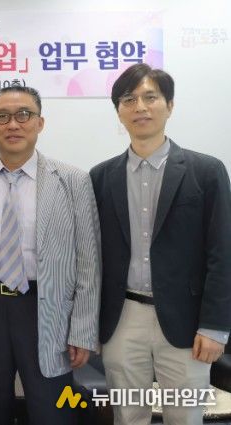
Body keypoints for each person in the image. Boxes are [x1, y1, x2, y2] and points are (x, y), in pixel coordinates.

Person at [0, 85, 101, 424]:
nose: (13, 124)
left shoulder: (72, 180)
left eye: (23, 115)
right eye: (2, 116)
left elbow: (88, 262)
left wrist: (83, 330)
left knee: (54, 413)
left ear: (40, 123)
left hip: (48, 311)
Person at [90, 63, 231, 425]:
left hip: (187, 322)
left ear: (169, 105)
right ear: (119, 111)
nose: (140, 107)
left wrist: (214, 327)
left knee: (185, 417)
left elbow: (223, 254)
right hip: (121, 318)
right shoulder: (100, 177)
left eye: (150, 97)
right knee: (128, 416)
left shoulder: (207, 171)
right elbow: (92, 258)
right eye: (128, 99)